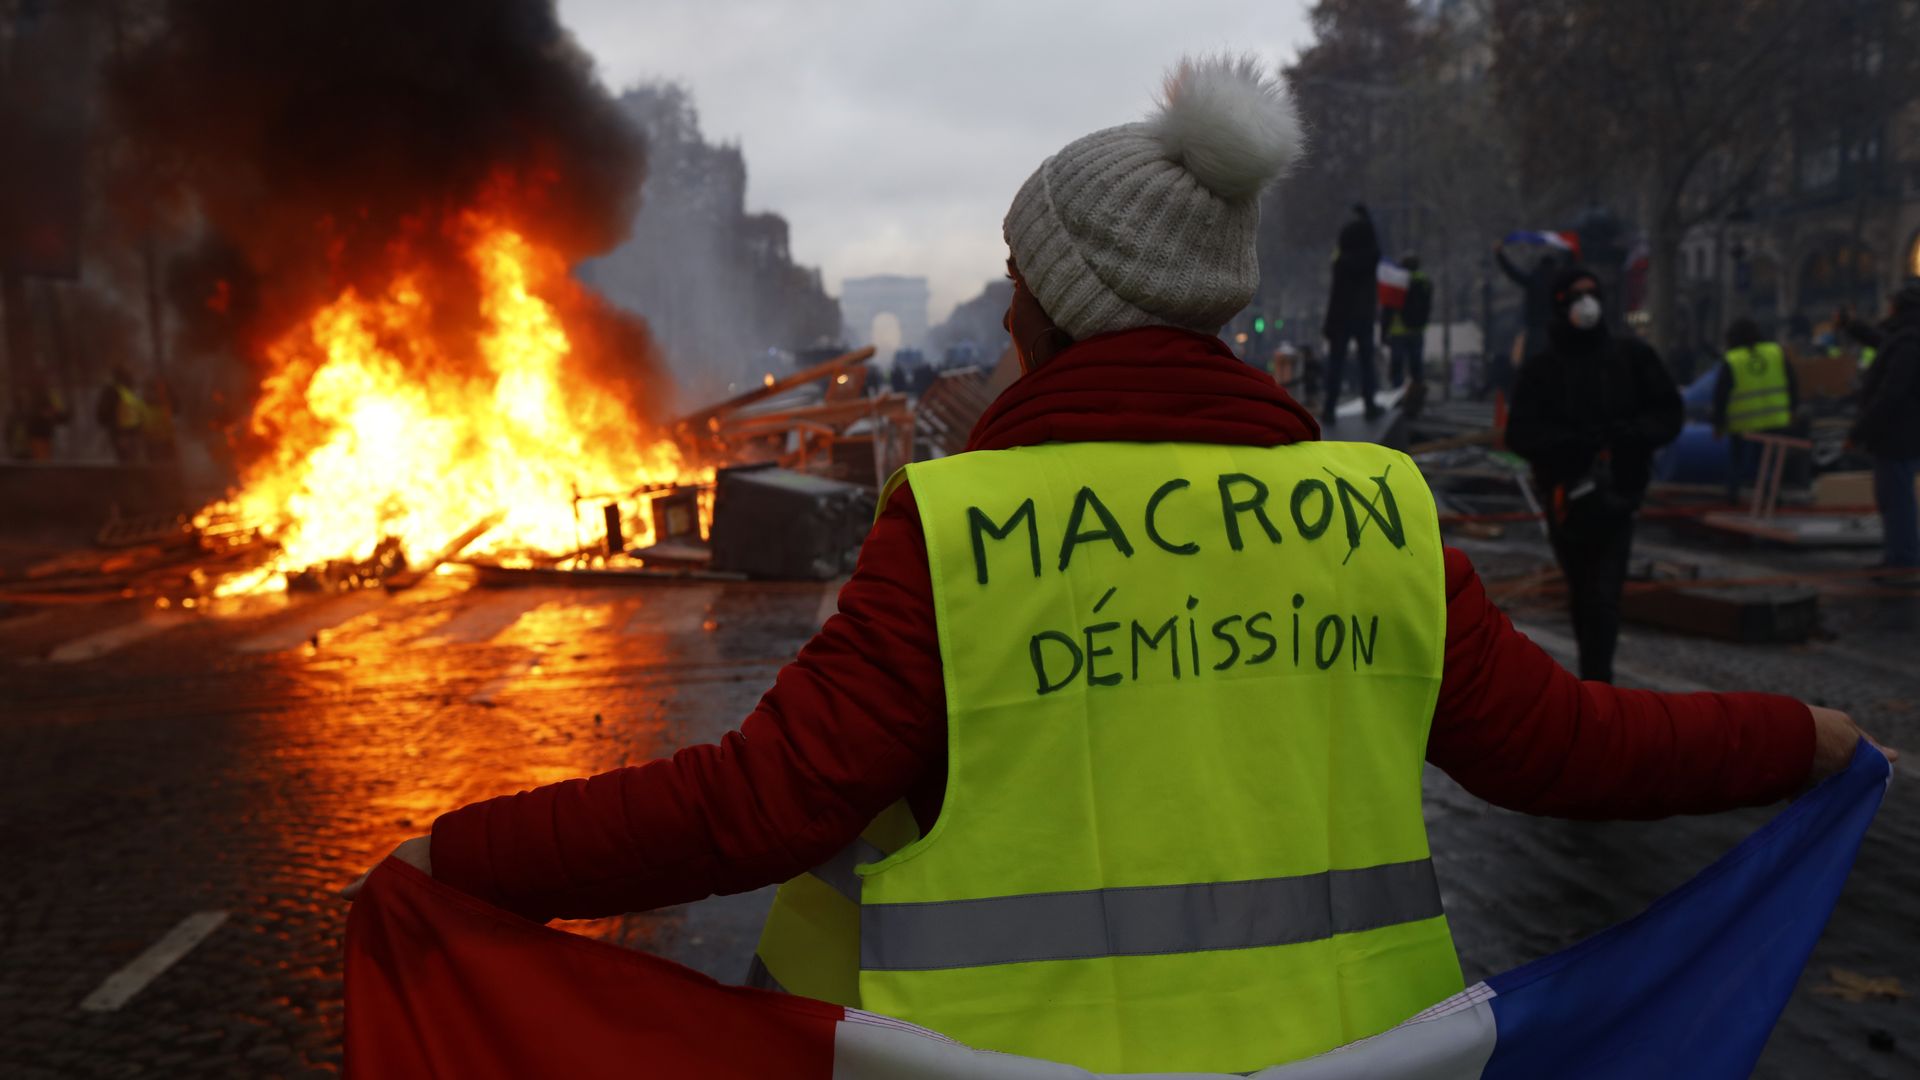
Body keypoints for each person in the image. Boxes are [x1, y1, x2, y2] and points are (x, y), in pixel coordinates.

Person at [345, 58, 1881, 1075]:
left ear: (1042, 313)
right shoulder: (1379, 510)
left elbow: (757, 807)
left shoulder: (956, 532)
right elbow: (1558, 749)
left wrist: (465, 858)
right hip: (1367, 1066)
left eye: (1018, 287)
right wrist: (1794, 737)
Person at [1506, 267, 1683, 684]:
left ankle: (1597, 684)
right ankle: (1593, 681)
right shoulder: (1542, 369)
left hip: (1619, 496)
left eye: (1593, 293)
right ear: (1560, 304)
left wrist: (1632, 436)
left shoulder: (1631, 356)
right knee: (1584, 593)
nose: (1587, 303)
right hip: (1566, 498)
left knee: (1603, 596)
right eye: (1577, 295)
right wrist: (1570, 444)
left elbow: (1667, 413)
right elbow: (1521, 433)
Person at [1838, 283, 1920, 573]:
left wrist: (1859, 431)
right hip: (1901, 432)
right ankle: (1898, 556)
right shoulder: (1906, 336)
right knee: (1892, 496)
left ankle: (1903, 560)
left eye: (1892, 303)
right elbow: (1880, 341)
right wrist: (1852, 326)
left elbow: (1891, 393)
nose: (1887, 308)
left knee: (1897, 498)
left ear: (1900, 307)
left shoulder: (1909, 341)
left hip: (1899, 433)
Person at [1712, 318, 1798, 506]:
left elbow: (1721, 394)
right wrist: (1793, 409)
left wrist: (1718, 423)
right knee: (1768, 461)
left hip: (1742, 422)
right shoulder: (1775, 352)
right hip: (1774, 419)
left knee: (1737, 460)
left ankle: (1732, 496)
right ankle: (1772, 495)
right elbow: (1792, 381)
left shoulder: (1733, 359)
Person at [1322, 203, 1381, 423]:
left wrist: (1329, 323)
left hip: (1342, 316)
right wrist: (1367, 217)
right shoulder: (1370, 259)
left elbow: (1335, 295)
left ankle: (1329, 407)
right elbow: (1375, 243)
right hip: (1364, 314)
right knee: (1366, 361)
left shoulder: (1342, 263)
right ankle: (1370, 404)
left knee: (1337, 362)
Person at [1383, 252, 1432, 400]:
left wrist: (1384, 331)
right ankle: (1417, 396)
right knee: (1416, 366)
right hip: (1418, 329)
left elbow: (1388, 308)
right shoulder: (1425, 282)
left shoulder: (1397, 282)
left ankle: (1397, 396)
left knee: (1397, 366)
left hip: (1398, 330)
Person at [94, 366, 146, 463]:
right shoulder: (128, 390)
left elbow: (102, 413)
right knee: (131, 460)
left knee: (126, 460)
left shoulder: (112, 391)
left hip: (122, 432)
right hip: (129, 432)